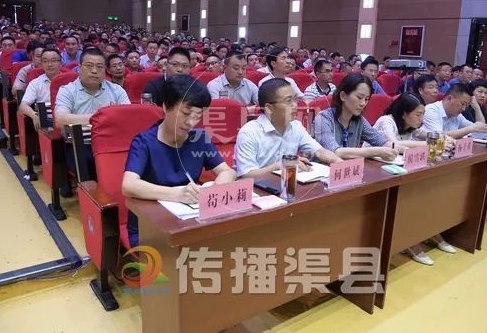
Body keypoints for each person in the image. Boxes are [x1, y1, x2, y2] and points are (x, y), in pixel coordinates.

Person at [122, 75, 236, 247]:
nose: (191, 122)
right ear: (166, 106)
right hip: (150, 227)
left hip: (191, 221)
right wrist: (177, 194)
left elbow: (228, 172)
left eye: (197, 116)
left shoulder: (199, 138)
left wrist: (214, 189)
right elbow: (129, 185)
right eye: (185, 113)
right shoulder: (144, 142)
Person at [373, 94, 455, 265]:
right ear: (404, 114)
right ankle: (410, 241)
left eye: (423, 114)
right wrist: (429, 144)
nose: (421, 119)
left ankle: (428, 232)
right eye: (418, 114)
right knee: (413, 196)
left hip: (400, 171)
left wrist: (444, 139)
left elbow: (429, 135)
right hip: (378, 172)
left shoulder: (412, 126)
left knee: (430, 190)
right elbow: (394, 145)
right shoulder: (386, 121)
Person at [234, 78, 342, 178]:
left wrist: (340, 163)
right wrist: (279, 166)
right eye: (288, 101)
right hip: (260, 189)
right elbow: (246, 175)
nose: (295, 105)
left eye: (295, 99)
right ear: (269, 108)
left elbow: (319, 151)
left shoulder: (296, 126)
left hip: (289, 184)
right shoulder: (249, 132)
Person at [55, 47, 130, 180]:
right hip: (81, 144)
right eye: (89, 66)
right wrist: (100, 117)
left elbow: (127, 117)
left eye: (99, 67)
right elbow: (60, 120)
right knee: (92, 170)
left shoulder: (117, 90)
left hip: (112, 143)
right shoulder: (67, 91)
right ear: (79, 68)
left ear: (105, 70)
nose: (94, 71)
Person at [312, 73, 402, 160]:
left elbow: (382, 142)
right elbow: (334, 152)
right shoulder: (323, 118)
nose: (363, 103)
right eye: (359, 97)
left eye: (366, 99)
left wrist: (402, 149)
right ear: (343, 96)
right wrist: (376, 151)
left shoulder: (359, 120)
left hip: (349, 168)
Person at [423, 83, 487, 138]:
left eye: (466, 105)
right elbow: (437, 136)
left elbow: (479, 129)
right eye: (463, 104)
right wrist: (471, 128)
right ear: (449, 98)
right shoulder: (431, 110)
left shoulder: (457, 115)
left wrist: (477, 107)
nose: (464, 109)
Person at [18, 49, 62, 131]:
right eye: (45, 61)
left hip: (67, 122)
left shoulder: (70, 81)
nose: (49, 64)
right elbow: (23, 106)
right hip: (47, 124)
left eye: (53, 61)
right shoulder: (35, 83)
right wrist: (34, 115)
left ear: (60, 63)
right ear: (41, 64)